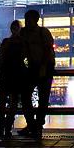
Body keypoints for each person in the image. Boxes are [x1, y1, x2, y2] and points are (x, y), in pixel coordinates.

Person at [18, 9, 55, 138]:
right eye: (26, 19)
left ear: (36, 20)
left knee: (43, 98)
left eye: (30, 19)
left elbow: (48, 49)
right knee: (26, 96)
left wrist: (43, 66)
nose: (28, 22)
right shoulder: (23, 33)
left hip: (44, 67)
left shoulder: (43, 32)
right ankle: (33, 125)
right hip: (31, 67)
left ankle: (36, 126)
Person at [0, 20, 27, 138]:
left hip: (6, 72)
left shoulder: (6, 42)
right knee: (12, 102)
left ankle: (3, 127)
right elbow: (25, 58)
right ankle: (7, 127)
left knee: (3, 101)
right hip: (16, 73)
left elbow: (2, 57)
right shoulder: (22, 43)